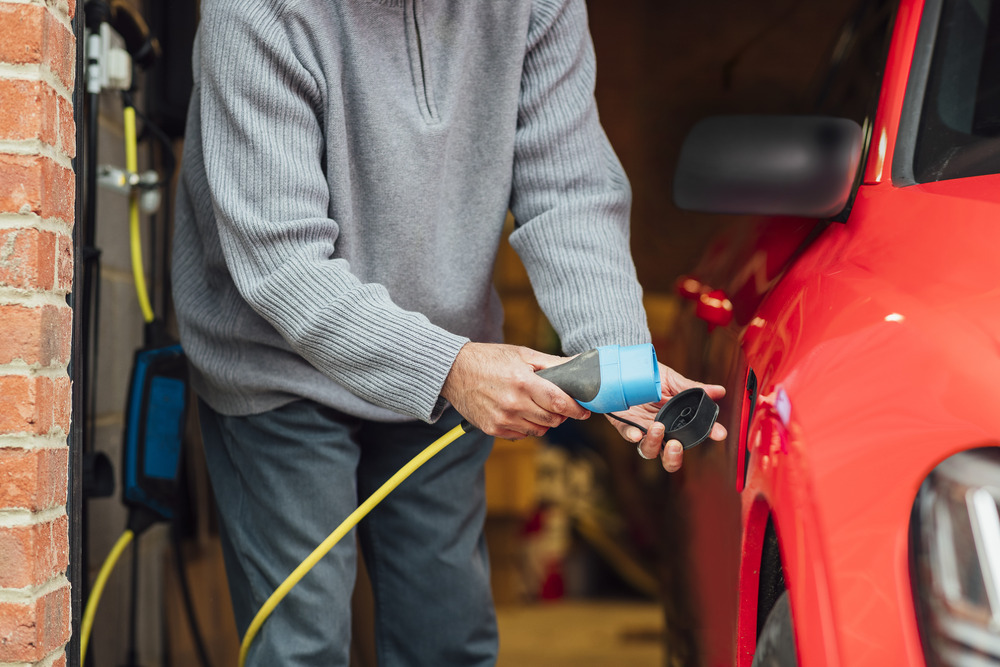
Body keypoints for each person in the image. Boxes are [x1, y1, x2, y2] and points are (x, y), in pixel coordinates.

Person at [172, 0, 725, 664]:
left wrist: (617, 361)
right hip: (280, 366)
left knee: (447, 641)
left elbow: (568, 189)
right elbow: (282, 263)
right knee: (303, 646)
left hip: (445, 358)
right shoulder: (255, 12)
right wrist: (452, 368)